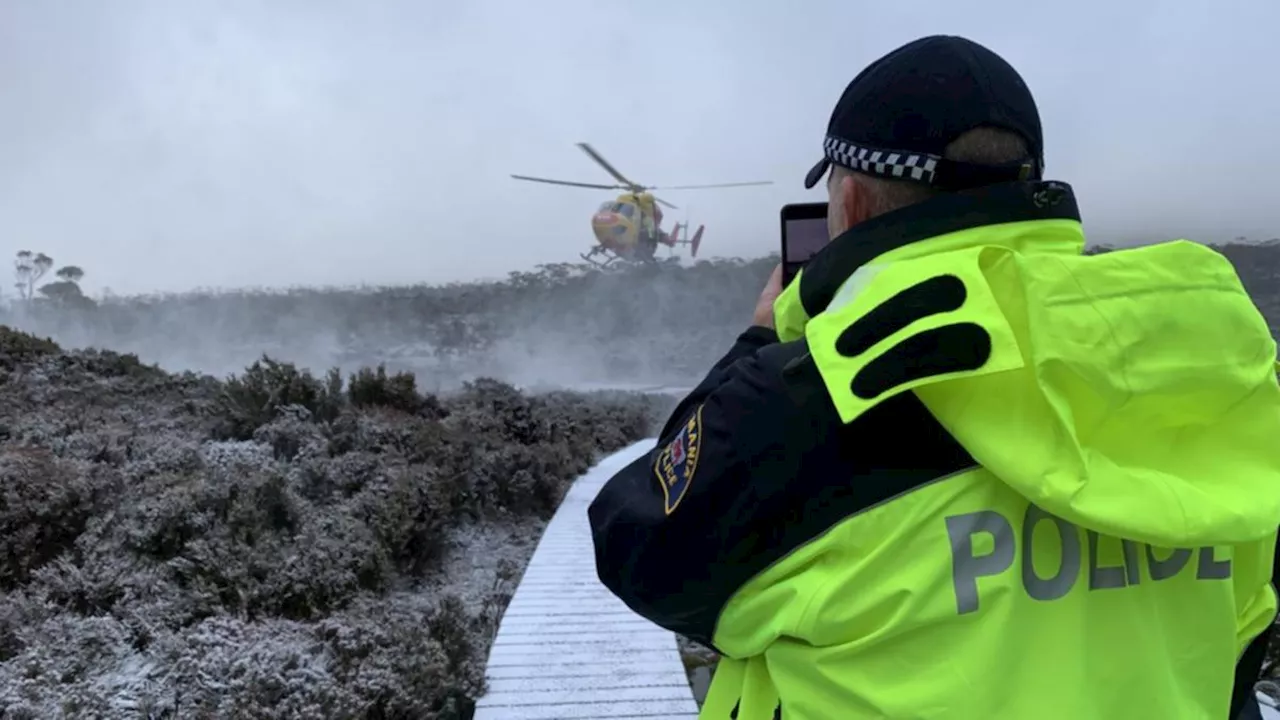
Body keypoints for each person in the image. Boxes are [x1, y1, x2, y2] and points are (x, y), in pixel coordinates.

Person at [587, 34, 1280, 720]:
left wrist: (759, 343)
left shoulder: (808, 402)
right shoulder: (1221, 379)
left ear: (851, 203)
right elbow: (1243, 639)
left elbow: (641, 545)